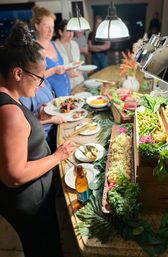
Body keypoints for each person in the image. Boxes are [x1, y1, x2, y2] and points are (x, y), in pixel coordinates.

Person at [0, 21, 76, 257]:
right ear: (18, 73)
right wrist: (58, 156)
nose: (41, 84)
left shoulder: (8, 99)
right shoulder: (10, 112)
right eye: (38, 78)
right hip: (29, 204)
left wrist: (41, 120)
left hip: (28, 200)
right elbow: (14, 175)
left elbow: (15, 137)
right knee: (45, 249)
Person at [31, 6, 71, 97]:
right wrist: (53, 70)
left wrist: (67, 71)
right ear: (37, 26)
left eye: (52, 27)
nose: (50, 31)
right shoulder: (33, 49)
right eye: (46, 27)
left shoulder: (54, 44)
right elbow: (33, 78)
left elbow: (59, 67)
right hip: (50, 101)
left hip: (66, 94)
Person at [20, 79, 66, 153]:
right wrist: (52, 120)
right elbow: (24, 126)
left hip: (53, 130)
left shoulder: (43, 81)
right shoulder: (23, 96)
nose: (42, 84)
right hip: (42, 139)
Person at [55, 19, 84, 89]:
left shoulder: (75, 44)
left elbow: (77, 62)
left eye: (72, 31)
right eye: (68, 31)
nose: (71, 34)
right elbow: (54, 68)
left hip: (79, 79)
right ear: (60, 32)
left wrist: (83, 68)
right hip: (64, 83)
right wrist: (66, 72)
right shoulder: (54, 46)